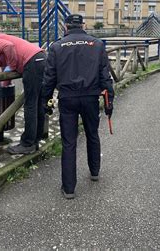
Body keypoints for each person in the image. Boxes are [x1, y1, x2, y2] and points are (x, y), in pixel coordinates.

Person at [41, 14, 114, 199]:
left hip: (68, 99)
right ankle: (95, 171)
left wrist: (46, 101)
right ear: (83, 25)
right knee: (92, 134)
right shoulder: (97, 45)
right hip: (90, 97)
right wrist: (109, 102)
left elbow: (49, 78)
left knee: (69, 143)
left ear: (65, 26)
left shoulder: (57, 47)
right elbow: (105, 75)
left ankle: (69, 188)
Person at [0, 34, 46, 155]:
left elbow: (8, 47)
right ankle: (35, 140)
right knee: (38, 104)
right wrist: (4, 85)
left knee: (30, 105)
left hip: (32, 62)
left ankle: (27, 144)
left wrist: (13, 66)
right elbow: (6, 67)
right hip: (40, 59)